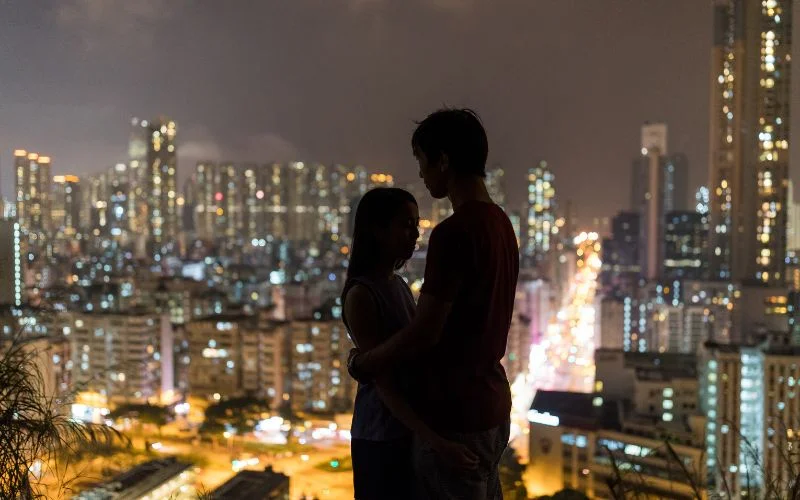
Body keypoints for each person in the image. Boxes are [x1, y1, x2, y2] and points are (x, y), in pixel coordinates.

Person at [349, 108, 519, 499]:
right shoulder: (502, 225)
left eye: (422, 161)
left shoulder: (454, 233)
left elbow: (426, 332)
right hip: (493, 403)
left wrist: (364, 362)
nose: (423, 174)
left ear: (443, 160)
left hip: (454, 414)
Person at [342, 187, 477, 500]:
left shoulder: (397, 284)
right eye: (405, 225)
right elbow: (384, 385)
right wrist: (436, 441)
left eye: (417, 225)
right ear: (376, 230)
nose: (415, 234)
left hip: (406, 431)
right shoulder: (362, 295)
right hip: (381, 437)